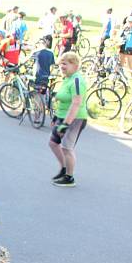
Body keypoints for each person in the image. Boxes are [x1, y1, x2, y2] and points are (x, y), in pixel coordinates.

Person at [49, 52, 88, 188]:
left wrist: (66, 124)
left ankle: (69, 177)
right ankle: (64, 169)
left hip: (75, 118)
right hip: (62, 116)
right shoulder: (67, 79)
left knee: (67, 147)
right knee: (53, 143)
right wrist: (56, 117)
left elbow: (76, 102)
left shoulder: (77, 80)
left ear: (75, 65)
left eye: (65, 63)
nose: (62, 66)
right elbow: (62, 100)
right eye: (61, 64)